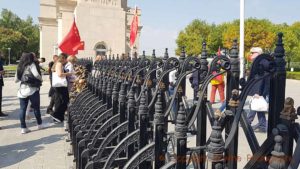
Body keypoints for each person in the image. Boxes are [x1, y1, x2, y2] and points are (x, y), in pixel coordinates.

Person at [15, 52, 46, 134]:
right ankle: (39, 124)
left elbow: (16, 80)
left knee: (22, 109)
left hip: (22, 90)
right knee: (36, 108)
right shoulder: (31, 65)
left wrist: (23, 78)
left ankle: (23, 128)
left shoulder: (19, 66)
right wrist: (41, 79)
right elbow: (36, 75)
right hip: (32, 89)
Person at [247, 47, 269, 133]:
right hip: (259, 89)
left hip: (260, 89)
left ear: (258, 53)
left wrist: (258, 92)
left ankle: (249, 121)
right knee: (258, 106)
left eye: (253, 52)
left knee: (256, 104)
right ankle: (262, 124)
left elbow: (261, 79)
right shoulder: (259, 61)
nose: (251, 54)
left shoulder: (261, 62)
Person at [50, 53, 73, 123]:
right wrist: (69, 73)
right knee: (63, 101)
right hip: (61, 85)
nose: (66, 61)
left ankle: (58, 116)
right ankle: (57, 116)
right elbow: (60, 74)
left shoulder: (57, 63)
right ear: (63, 58)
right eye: (66, 59)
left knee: (60, 101)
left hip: (59, 86)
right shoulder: (59, 64)